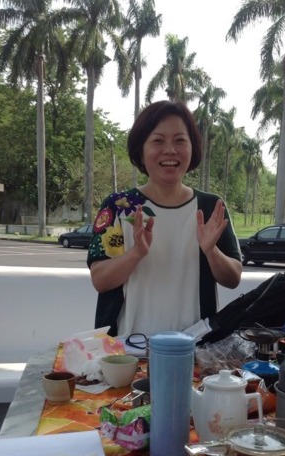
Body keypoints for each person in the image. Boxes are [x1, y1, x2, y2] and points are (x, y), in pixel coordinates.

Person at [87, 100, 242, 338]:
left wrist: (211, 251)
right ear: (141, 150)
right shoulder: (119, 206)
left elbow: (233, 279)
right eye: (158, 141)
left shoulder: (210, 207)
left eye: (180, 140)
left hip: (195, 347)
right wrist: (136, 253)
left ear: (192, 148)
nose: (170, 150)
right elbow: (100, 280)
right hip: (127, 348)